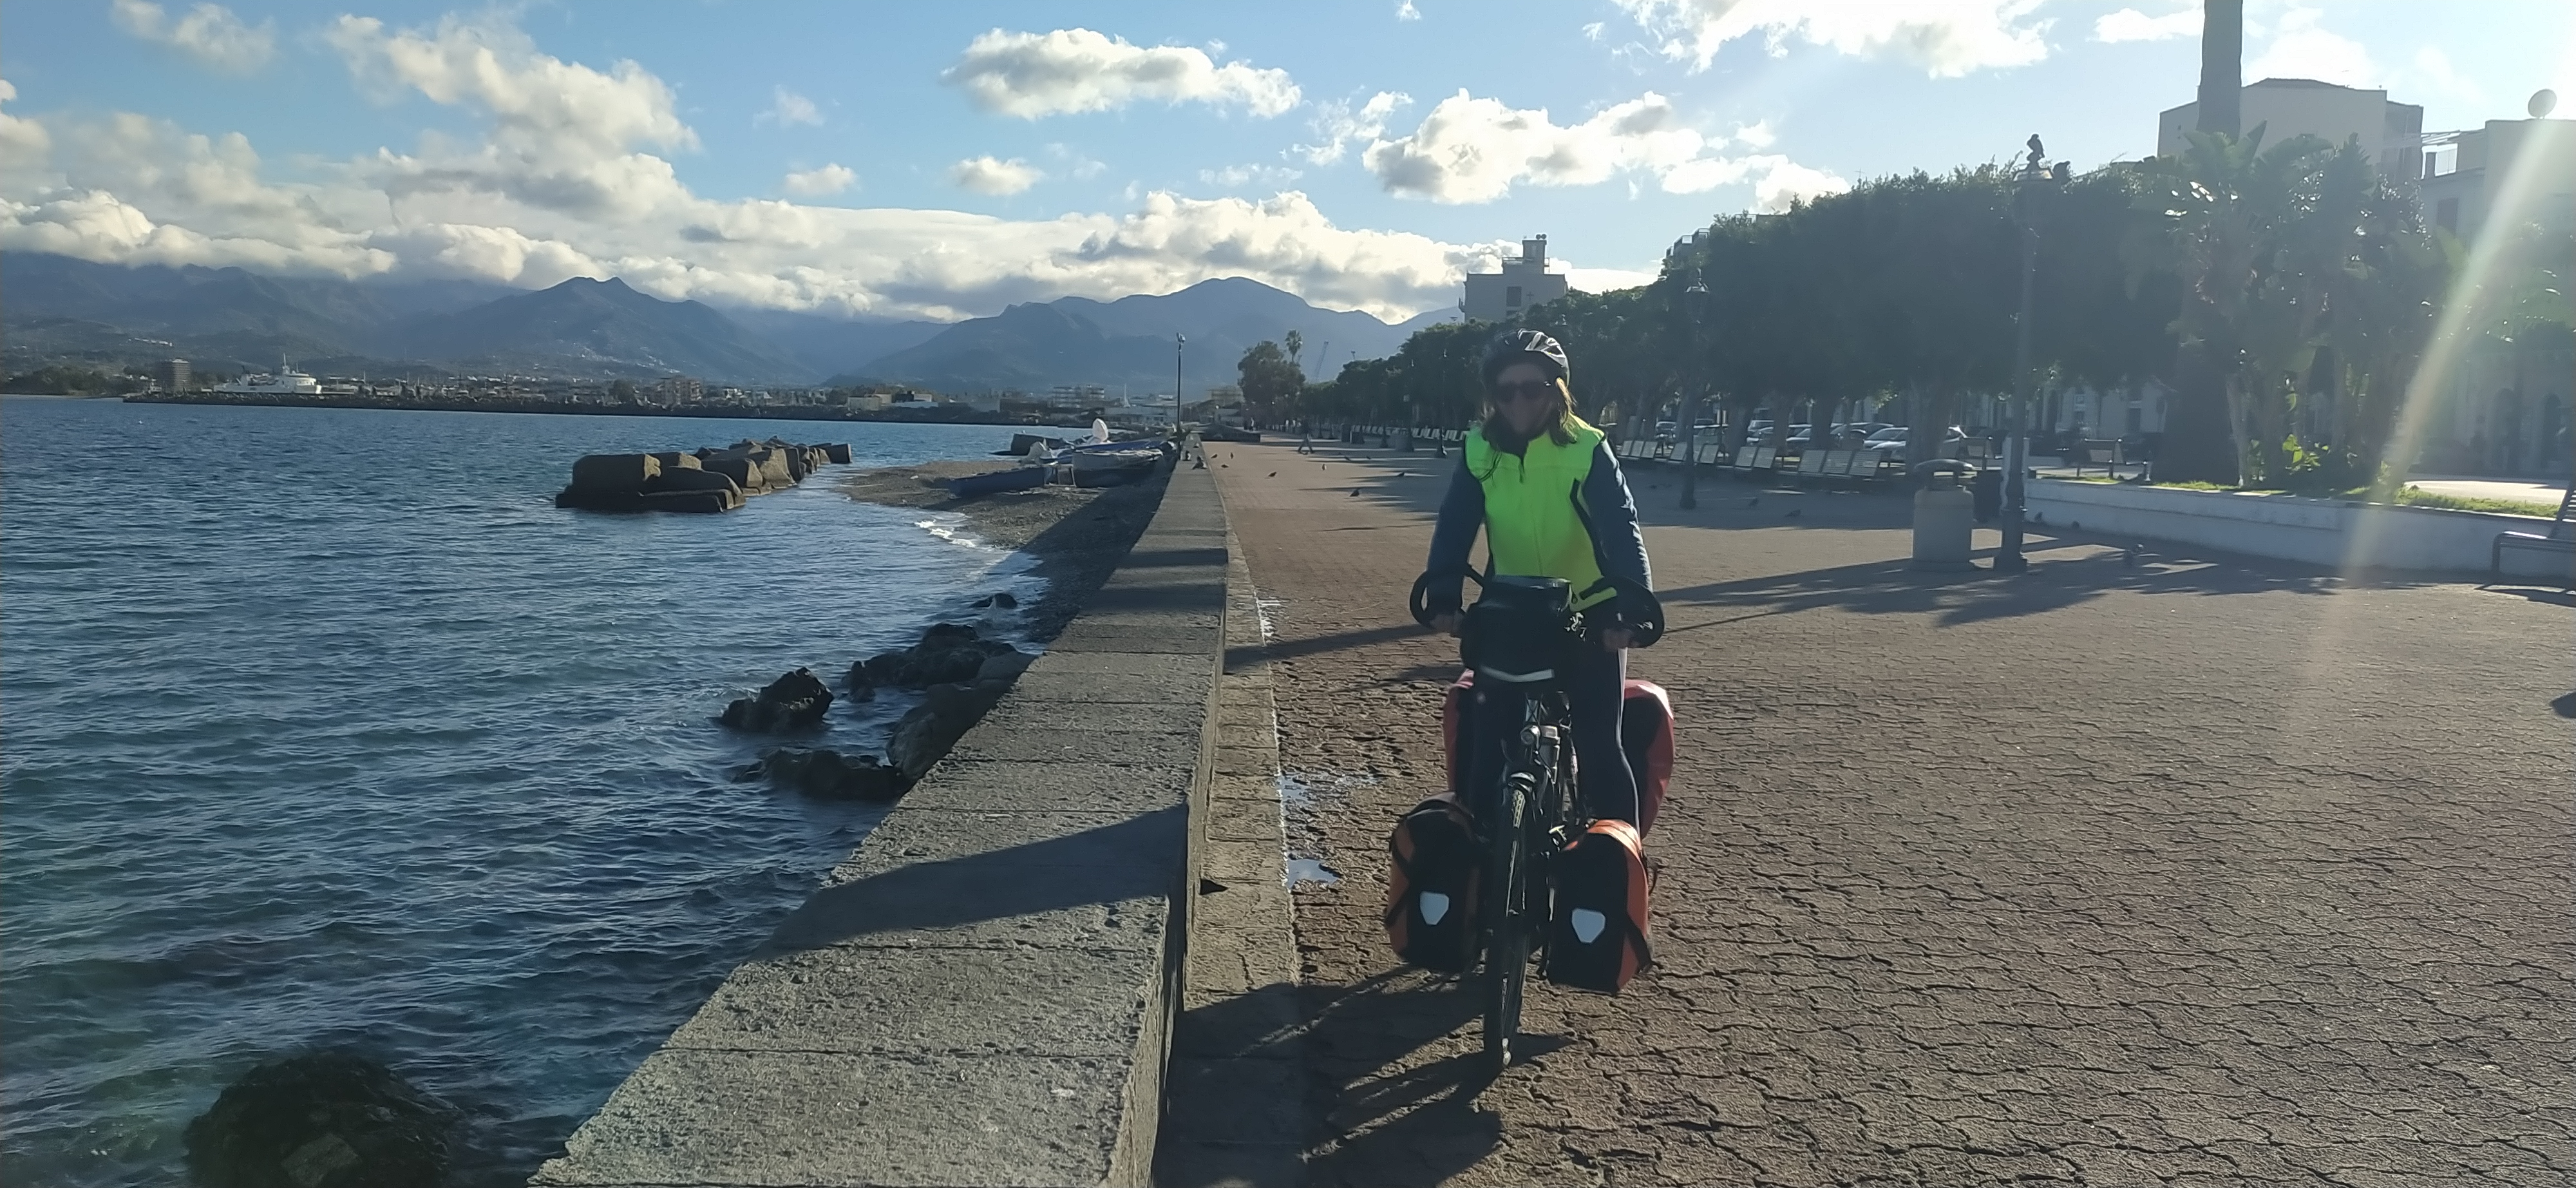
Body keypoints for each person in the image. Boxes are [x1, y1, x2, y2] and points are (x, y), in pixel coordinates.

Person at [1422, 329, 1653, 829]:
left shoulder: (1588, 447)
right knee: (1487, 747)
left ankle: (1622, 859)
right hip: (1513, 609)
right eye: (1506, 391)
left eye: (1532, 388)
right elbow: (1456, 523)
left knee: (1599, 742)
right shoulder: (1479, 449)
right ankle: (1485, 857)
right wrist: (1443, 595)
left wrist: (1632, 609)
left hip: (1590, 611)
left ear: (1557, 390)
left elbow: (1620, 528)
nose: (1519, 402)